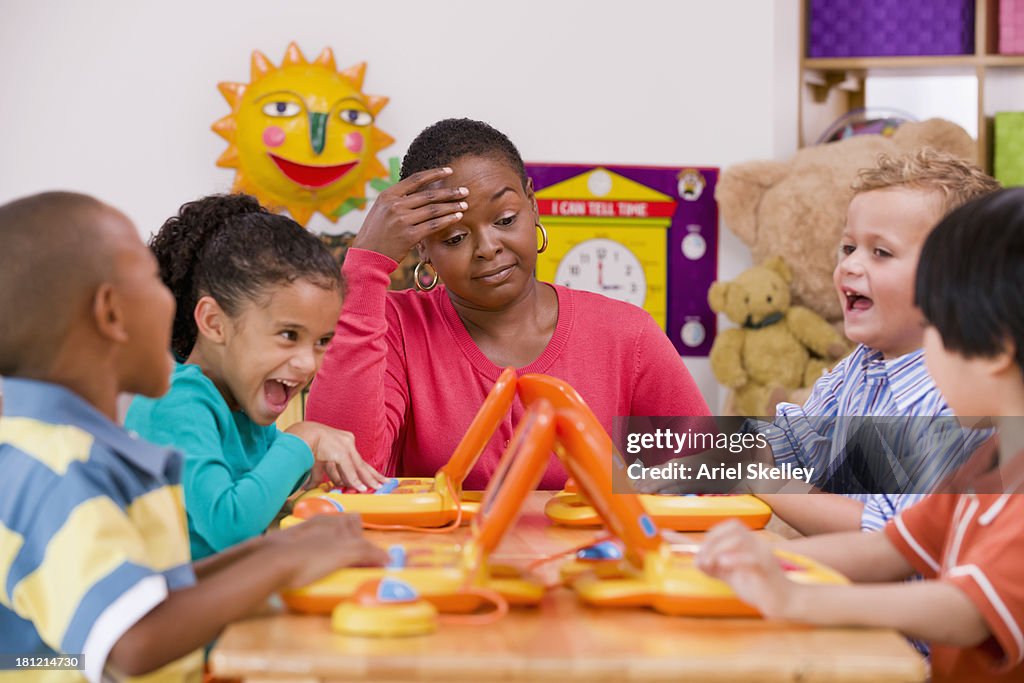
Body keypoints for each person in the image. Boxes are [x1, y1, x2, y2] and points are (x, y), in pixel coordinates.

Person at [0, 191, 385, 681]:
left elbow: (155, 591)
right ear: (111, 314)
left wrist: (282, 551)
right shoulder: (53, 467)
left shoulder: (74, 449)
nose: (172, 300)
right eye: (152, 281)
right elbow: (130, 645)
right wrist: (283, 561)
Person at [697, 187, 1024, 683]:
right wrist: (764, 556)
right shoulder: (989, 462)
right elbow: (890, 548)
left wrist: (801, 597)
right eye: (848, 247)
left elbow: (965, 607)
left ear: (995, 349)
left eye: (937, 324)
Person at [305, 118, 711, 489]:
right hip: (436, 568)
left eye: (504, 220)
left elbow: (716, 467)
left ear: (532, 205)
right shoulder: (394, 326)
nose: (487, 248)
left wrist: (641, 483)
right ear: (423, 248)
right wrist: (365, 264)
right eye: (454, 238)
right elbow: (347, 476)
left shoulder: (626, 334)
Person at [126, 194, 387, 561]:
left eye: (322, 341)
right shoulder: (176, 400)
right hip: (167, 611)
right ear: (215, 323)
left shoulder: (242, 401)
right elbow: (229, 526)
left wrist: (311, 468)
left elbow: (259, 489)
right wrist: (300, 440)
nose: (307, 364)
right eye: (288, 335)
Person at [753, 149, 1000, 534]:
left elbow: (890, 534)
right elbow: (792, 442)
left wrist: (770, 485)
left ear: (952, 279)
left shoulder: (956, 400)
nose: (850, 264)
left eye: (880, 252)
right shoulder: (861, 363)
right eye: (849, 247)